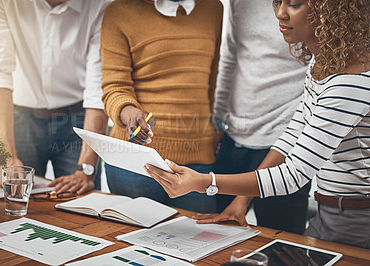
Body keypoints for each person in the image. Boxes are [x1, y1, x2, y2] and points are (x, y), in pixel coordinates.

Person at [145, 0, 370, 249]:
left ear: (331, 11)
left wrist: (203, 182)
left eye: (294, 4)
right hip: (329, 214)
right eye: (278, 3)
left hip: (356, 220)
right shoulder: (321, 65)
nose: (280, 13)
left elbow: (293, 175)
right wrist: (242, 199)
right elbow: (292, 135)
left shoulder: (349, 83)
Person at [100, 0, 223, 213]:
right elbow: (114, 87)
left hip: (198, 158)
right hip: (135, 162)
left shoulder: (213, 8)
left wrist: (212, 129)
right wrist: (132, 116)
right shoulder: (119, 11)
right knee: (131, 243)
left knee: (199, 241)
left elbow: (210, 81)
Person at [0, 0, 111, 194]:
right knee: (17, 200)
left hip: (80, 121)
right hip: (19, 122)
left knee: (80, 200)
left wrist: (86, 169)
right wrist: (6, 156)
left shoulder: (101, 4)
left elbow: (99, 87)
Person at [209, 0, 310, 234]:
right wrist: (218, 120)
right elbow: (230, 57)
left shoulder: (305, 6)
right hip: (234, 136)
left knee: (279, 240)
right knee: (216, 232)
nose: (281, 12)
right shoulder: (239, 2)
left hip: (284, 138)